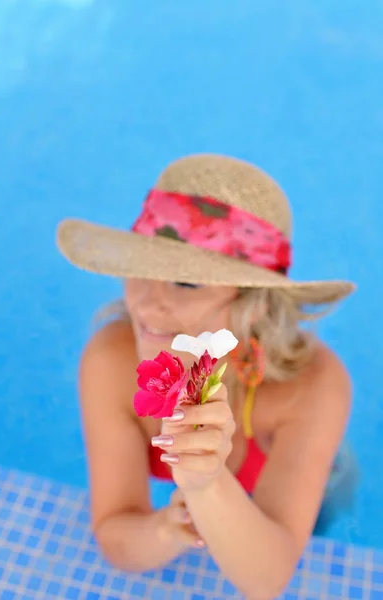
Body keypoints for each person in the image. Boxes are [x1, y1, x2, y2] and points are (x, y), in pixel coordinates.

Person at [57, 154, 356, 599]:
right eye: (144, 269)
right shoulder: (111, 361)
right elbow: (116, 531)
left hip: (317, 471)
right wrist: (169, 526)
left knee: (315, 527)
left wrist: (209, 483)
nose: (146, 304)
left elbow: (268, 578)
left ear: (252, 305)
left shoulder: (312, 387)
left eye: (187, 283)